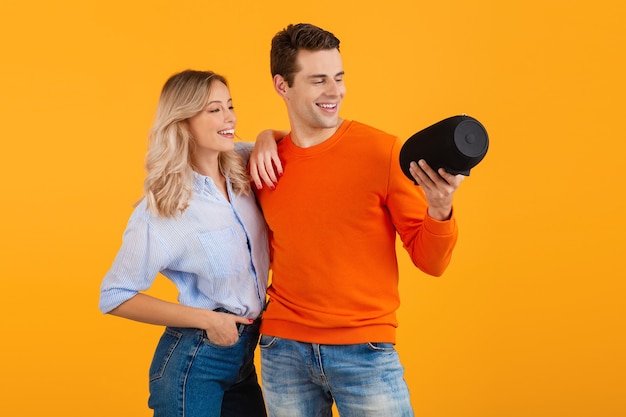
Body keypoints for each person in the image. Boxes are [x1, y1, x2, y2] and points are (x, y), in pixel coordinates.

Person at [248, 23, 465, 417]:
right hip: (283, 351)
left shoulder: (383, 153)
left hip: (365, 352)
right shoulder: (264, 163)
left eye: (339, 77)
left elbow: (431, 262)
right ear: (283, 86)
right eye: (318, 81)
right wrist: (266, 136)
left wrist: (440, 209)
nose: (335, 92)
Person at [99, 69, 271, 417]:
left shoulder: (241, 164)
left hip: (243, 356)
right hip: (196, 360)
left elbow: (292, 143)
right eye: (214, 110)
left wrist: (268, 134)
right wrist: (207, 320)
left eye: (230, 106)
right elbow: (114, 296)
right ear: (183, 121)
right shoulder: (164, 207)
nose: (229, 117)